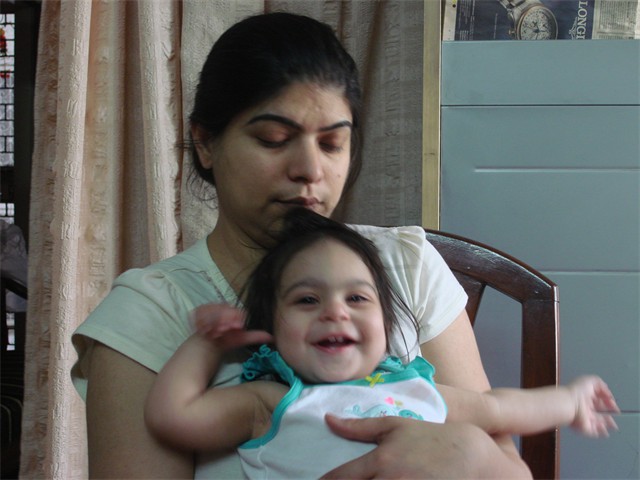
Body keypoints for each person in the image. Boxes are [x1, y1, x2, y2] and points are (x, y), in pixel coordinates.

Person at [73, 11, 537, 478]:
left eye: (332, 144)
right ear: (206, 143)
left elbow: (508, 467)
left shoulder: (404, 263)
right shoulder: (152, 312)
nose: (310, 170)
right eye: (274, 140)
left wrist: (474, 455)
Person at [144, 209, 619, 479]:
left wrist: (569, 401)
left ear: (387, 323)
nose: (335, 312)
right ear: (272, 327)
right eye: (307, 299)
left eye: (356, 298)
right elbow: (173, 417)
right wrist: (207, 345)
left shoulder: (414, 388)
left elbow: (498, 409)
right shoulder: (272, 400)